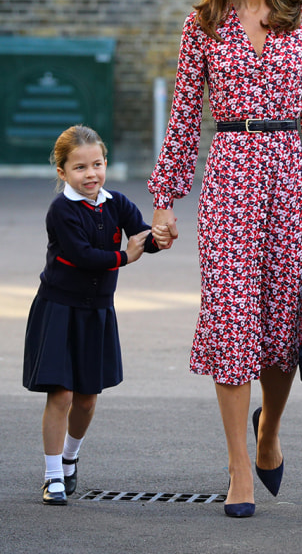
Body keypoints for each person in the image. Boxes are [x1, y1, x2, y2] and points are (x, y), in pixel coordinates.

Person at [148, 0, 302, 518]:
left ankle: (268, 433)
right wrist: (164, 200)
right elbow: (184, 118)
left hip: (288, 177)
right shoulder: (203, 23)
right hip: (231, 173)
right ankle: (238, 467)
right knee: (233, 323)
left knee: (284, 329)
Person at [23, 125, 166, 506]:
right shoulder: (61, 211)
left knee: (86, 398)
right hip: (58, 308)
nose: (90, 174)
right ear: (62, 173)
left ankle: (70, 458)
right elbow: (83, 256)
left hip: (97, 312)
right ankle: (53, 476)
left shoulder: (116, 203)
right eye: (80, 167)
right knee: (62, 392)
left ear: (106, 163)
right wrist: (125, 256)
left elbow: (141, 236)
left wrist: (159, 237)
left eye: (97, 164)